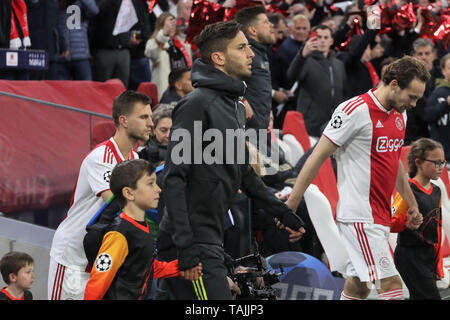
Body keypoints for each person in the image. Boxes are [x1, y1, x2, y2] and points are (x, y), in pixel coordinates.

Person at [157, 20, 306, 300]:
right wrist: (186, 247)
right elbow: (174, 178)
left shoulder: (234, 108)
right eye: (242, 47)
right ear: (219, 58)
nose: (251, 54)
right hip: (190, 244)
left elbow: (244, 174)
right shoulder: (196, 104)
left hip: (211, 240)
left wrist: (283, 212)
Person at [285, 56, 430, 300]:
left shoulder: (399, 114)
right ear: (394, 84)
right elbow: (317, 157)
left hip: (380, 216)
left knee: (358, 286)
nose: (414, 104)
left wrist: (411, 203)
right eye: (412, 96)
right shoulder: (354, 110)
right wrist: (292, 202)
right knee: (392, 284)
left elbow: (394, 163)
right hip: (360, 216)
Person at [48, 90, 154, 300]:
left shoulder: (134, 158)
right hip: (73, 257)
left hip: (103, 255)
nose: (150, 123)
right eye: (143, 117)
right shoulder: (101, 157)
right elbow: (120, 204)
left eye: (150, 116)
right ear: (123, 120)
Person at [83, 159, 202, 300]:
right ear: (129, 193)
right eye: (150, 184)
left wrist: (181, 266)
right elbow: (98, 281)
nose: (158, 189)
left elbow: (144, 267)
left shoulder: (140, 226)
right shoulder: (119, 234)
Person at [391, 138, 446, 300]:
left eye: (442, 163)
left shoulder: (436, 190)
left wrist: (437, 264)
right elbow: (391, 223)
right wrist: (405, 221)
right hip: (410, 256)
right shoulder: (409, 190)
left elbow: (436, 229)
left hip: (428, 255)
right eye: (435, 163)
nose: (440, 167)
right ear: (419, 162)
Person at [287, 24, 346, 138]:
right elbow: (292, 75)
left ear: (331, 41)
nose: (322, 41)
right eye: (319, 37)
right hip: (310, 124)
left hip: (333, 124)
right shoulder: (306, 60)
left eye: (325, 37)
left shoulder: (339, 64)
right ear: (312, 39)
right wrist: (302, 55)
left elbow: (343, 92)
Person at [235, 5, 288, 131]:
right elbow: (226, 78)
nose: (271, 26)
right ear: (253, 30)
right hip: (247, 130)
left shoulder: (261, 52)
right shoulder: (243, 53)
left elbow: (258, 89)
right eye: (266, 22)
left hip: (261, 126)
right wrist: (242, 100)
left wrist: (267, 113)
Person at [145, 12, 192, 100]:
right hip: (166, 90)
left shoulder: (182, 42)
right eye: (167, 25)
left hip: (184, 88)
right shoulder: (153, 43)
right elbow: (153, 54)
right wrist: (164, 34)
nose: (171, 27)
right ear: (161, 26)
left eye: (173, 24)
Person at [425, 53, 450, 162]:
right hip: (443, 156)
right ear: (443, 70)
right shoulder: (437, 92)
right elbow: (427, 116)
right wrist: (446, 103)